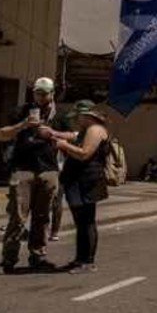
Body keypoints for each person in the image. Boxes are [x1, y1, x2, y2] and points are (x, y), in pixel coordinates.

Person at [0, 77, 75, 274]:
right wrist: (22, 125)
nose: (39, 96)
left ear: (52, 94)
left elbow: (74, 135)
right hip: (22, 169)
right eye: (37, 92)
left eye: (44, 93)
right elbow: (2, 134)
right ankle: (8, 259)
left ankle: (38, 256)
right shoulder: (21, 111)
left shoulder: (60, 115)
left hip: (48, 169)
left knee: (42, 217)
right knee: (17, 216)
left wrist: (53, 133)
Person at [52, 100, 111, 274]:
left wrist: (63, 146)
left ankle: (88, 261)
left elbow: (84, 154)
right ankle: (80, 259)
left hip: (87, 181)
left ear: (86, 116)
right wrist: (55, 134)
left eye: (78, 117)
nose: (76, 120)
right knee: (81, 222)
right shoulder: (87, 129)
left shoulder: (95, 130)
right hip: (79, 181)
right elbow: (73, 135)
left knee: (87, 221)